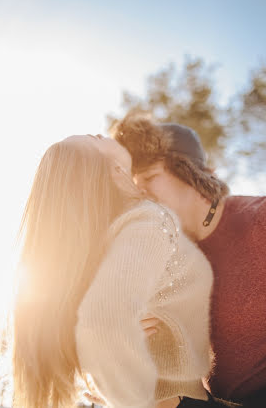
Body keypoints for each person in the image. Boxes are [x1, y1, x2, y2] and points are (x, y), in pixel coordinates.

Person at [13, 134, 214, 408]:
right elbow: (101, 323)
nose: (98, 133)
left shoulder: (108, 238)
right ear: (108, 169)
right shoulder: (147, 219)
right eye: (92, 138)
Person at [113, 117, 266, 408]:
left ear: (191, 172)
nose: (141, 193)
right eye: (134, 187)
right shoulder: (165, 264)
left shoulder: (260, 218)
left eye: (149, 177)